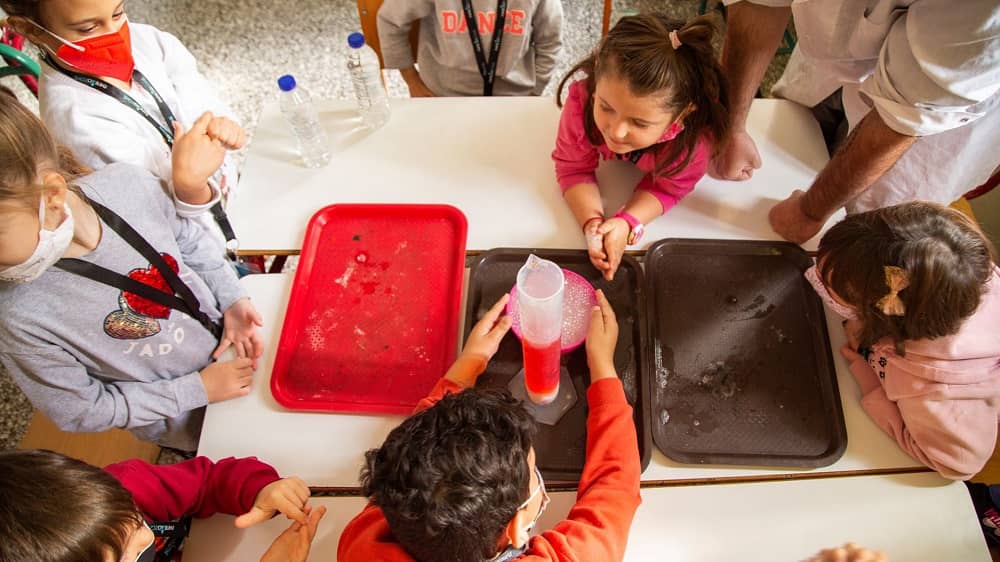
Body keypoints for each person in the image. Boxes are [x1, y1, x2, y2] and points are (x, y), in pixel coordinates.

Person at [0, 88, 262, 451]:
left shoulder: (126, 184)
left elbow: (187, 239)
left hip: (237, 344)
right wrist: (196, 390)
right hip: (190, 422)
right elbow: (81, 410)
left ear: (52, 195)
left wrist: (231, 297)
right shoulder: (18, 320)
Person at [337, 290, 641, 562]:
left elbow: (423, 447)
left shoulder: (364, 540)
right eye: (531, 472)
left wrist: (470, 361)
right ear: (517, 527)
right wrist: (602, 364)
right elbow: (615, 488)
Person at [712, 0, 1000, 244]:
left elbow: (903, 115)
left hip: (930, 111)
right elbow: (759, 7)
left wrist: (810, 212)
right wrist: (732, 127)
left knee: (857, 231)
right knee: (790, 140)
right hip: (830, 58)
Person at [1, 0, 246, 250]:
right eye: (87, 29)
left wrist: (220, 124)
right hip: (203, 240)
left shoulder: (148, 41)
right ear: (29, 29)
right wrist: (189, 187)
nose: (115, 34)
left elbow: (196, 91)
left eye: (118, 12)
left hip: (232, 198)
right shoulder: (78, 123)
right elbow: (157, 222)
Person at [806, 202, 1000, 480]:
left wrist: (872, 383)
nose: (816, 277)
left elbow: (959, 466)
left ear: (886, 315)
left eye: (830, 286)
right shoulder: (959, 272)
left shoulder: (934, 396)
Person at [552, 13, 728, 281]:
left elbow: (668, 188)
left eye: (640, 123)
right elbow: (572, 167)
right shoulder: (582, 102)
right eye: (606, 107)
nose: (617, 131)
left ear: (681, 115)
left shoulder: (693, 144)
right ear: (597, 80)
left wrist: (628, 221)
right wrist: (592, 223)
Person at [0, 449, 325, 562]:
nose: (144, 537)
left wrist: (259, 489)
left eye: (136, 521)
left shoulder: (124, 488)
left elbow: (208, 481)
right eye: (125, 553)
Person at [377, 0, 563, 97]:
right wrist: (412, 80)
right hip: (443, 95)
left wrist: (535, 90)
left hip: (514, 94)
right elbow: (390, 21)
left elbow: (550, 41)